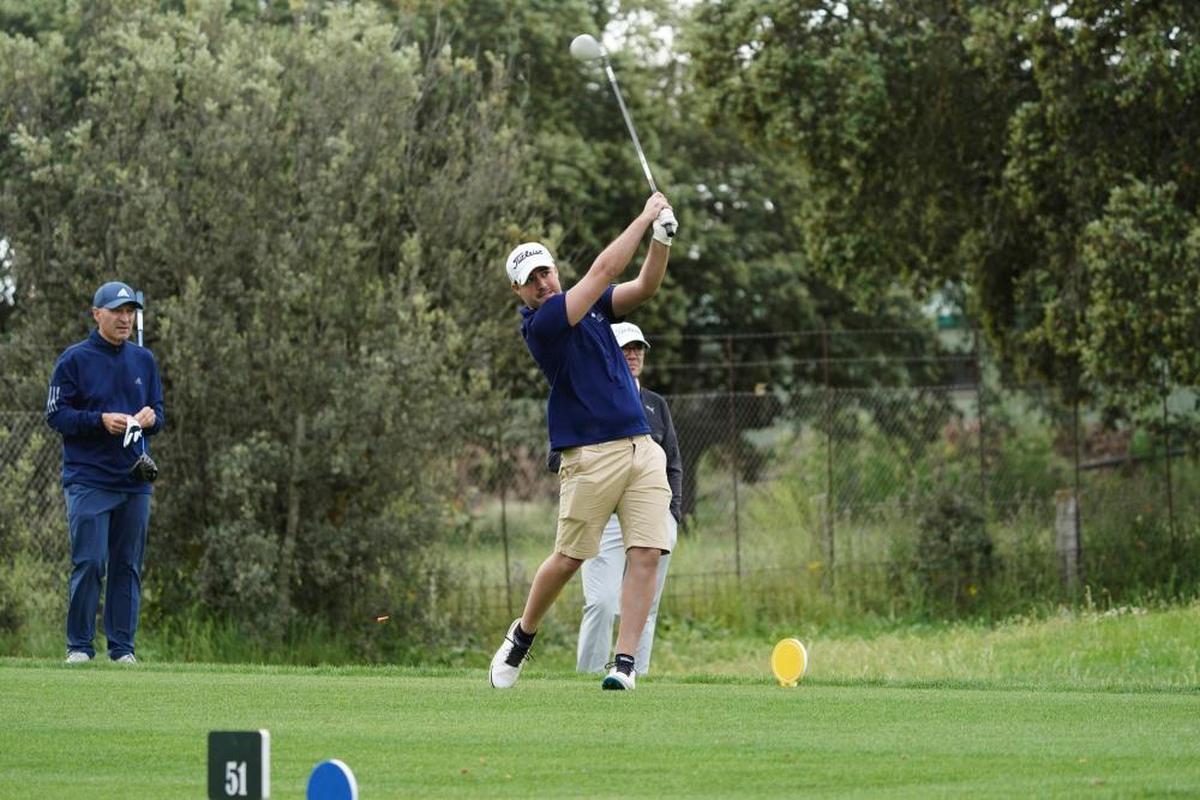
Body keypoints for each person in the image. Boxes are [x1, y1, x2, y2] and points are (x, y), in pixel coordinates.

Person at [491, 192, 677, 691]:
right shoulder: (543, 323)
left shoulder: (592, 306)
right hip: (590, 456)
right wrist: (642, 216)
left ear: (554, 270)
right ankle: (523, 635)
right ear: (519, 292)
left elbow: (643, 286)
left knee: (646, 553)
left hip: (641, 448)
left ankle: (624, 663)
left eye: (545, 273)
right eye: (530, 281)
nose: (542, 284)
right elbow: (601, 271)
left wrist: (661, 239)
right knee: (570, 557)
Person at [548, 321, 682, 676]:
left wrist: (673, 515)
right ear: (609, 354)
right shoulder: (585, 398)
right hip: (602, 518)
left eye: (638, 348)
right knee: (603, 603)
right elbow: (557, 455)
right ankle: (589, 675)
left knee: (645, 605)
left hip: (650, 514)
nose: (634, 354)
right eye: (626, 348)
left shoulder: (656, 405)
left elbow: (673, 462)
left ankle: (630, 673)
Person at [45, 281, 164, 664]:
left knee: (127, 566)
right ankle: (79, 647)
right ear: (97, 314)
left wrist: (149, 418)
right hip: (88, 479)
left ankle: (122, 650)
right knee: (91, 561)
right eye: (117, 311)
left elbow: (159, 414)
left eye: (130, 311)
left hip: (133, 480)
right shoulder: (74, 360)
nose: (125, 318)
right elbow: (56, 415)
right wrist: (100, 421)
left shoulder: (144, 360)